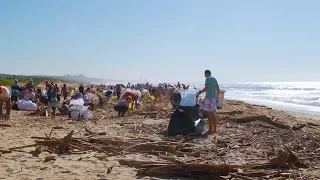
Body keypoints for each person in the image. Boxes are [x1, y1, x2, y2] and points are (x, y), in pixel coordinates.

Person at [197, 70, 220, 134]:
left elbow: (207, 87)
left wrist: (200, 91)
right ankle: (214, 129)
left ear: (206, 74)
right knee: (212, 114)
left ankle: (210, 129)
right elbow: (218, 89)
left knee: (209, 114)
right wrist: (217, 96)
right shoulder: (214, 79)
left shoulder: (208, 79)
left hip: (209, 98)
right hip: (213, 98)